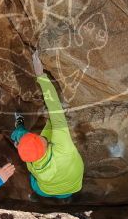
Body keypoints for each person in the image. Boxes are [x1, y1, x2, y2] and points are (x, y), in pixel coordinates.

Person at [11, 49, 85, 198]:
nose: (42, 138)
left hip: (52, 190)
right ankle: (18, 129)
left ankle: (18, 128)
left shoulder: (30, 163)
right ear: (45, 146)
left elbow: (31, 147)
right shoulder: (62, 149)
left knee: (21, 136)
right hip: (72, 186)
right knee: (26, 136)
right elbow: (55, 108)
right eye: (41, 140)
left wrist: (23, 145)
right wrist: (41, 76)